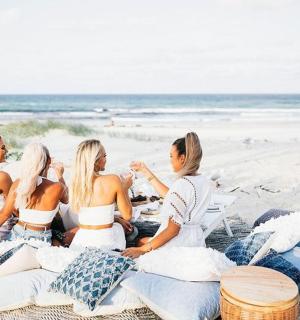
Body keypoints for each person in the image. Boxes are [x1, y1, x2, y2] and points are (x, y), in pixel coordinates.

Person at [122, 132, 211, 258]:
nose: (170, 160)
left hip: (179, 244)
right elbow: (172, 197)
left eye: (171, 156)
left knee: (139, 242)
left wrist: (142, 250)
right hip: (196, 240)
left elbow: (173, 230)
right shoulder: (202, 180)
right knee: (143, 240)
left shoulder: (182, 184)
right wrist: (145, 170)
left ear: (182, 158)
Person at [67, 139, 133, 251]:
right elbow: (127, 215)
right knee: (131, 232)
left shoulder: (76, 183)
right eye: (104, 156)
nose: (106, 159)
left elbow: (94, 214)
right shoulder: (112, 179)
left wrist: (116, 218)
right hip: (105, 242)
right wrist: (125, 188)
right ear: (95, 160)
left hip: (80, 241)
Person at [0, 142, 68, 243]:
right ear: (49, 160)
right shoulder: (58, 187)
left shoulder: (19, 183)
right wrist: (60, 175)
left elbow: (4, 215)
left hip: (16, 235)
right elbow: (66, 200)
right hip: (41, 238)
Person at [0, 136, 16, 240]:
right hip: (4, 230)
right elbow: (14, 209)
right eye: (2, 147)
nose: (6, 150)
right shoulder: (3, 177)